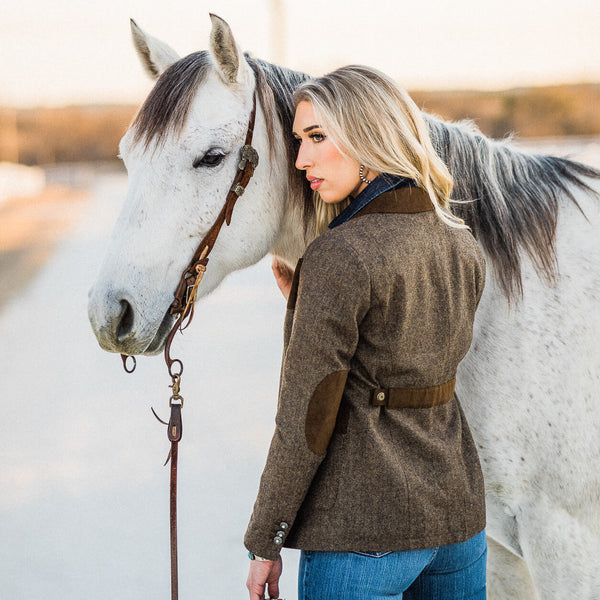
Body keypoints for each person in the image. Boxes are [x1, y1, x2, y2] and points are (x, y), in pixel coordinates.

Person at [244, 65, 487, 600]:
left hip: (362, 530)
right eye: (298, 141)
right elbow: (407, 350)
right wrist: (310, 304)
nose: (302, 159)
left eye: (316, 138)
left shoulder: (337, 256)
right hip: (457, 517)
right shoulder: (461, 242)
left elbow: (306, 419)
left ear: (369, 135)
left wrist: (266, 540)